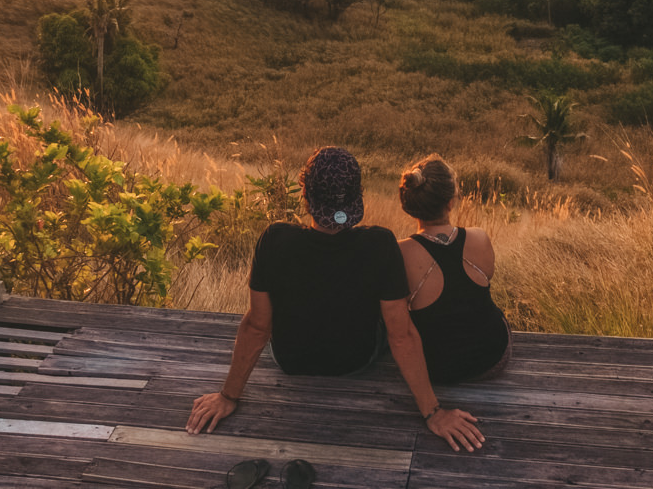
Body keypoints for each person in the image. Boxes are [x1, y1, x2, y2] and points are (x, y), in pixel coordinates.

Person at [186, 146, 484, 452]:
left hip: (290, 360)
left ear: (305, 194)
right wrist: (433, 413)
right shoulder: (379, 244)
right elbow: (401, 334)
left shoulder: (274, 240)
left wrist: (228, 396)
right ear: (358, 195)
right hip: (356, 360)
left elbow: (257, 327)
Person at [397, 155, 510, 384]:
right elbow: (485, 277)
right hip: (492, 358)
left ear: (410, 204)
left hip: (437, 367)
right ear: (450, 202)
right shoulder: (479, 237)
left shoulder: (400, 253)